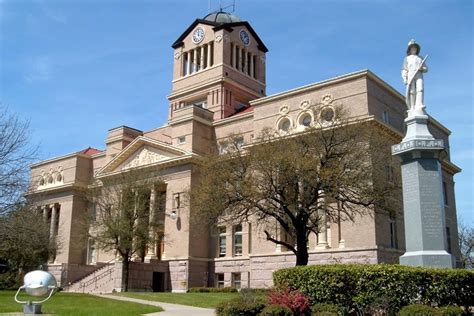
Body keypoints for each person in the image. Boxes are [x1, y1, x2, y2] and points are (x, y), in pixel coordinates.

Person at [401, 39, 428, 112]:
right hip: (411, 75)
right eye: (412, 48)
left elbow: (426, 69)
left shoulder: (420, 58)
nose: (414, 49)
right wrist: (405, 78)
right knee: (412, 91)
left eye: (415, 48)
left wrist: (422, 68)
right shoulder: (407, 59)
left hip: (419, 74)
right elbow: (404, 69)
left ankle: (419, 104)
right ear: (409, 49)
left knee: (420, 89)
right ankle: (412, 106)